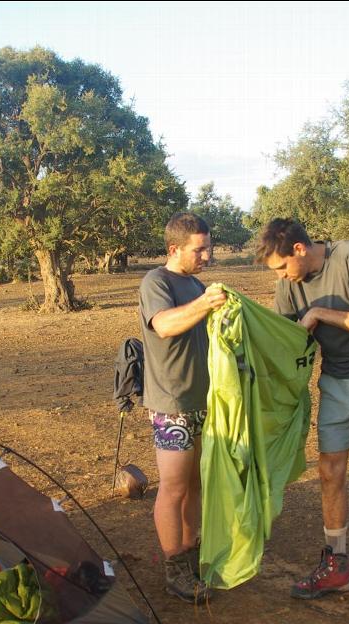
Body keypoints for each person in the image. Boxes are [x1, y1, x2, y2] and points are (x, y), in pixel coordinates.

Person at [253, 218, 349, 614]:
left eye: (282, 267)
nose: (281, 278)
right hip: (334, 378)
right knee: (329, 470)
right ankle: (336, 565)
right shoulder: (289, 284)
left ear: (299, 250)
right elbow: (289, 337)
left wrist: (320, 312)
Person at [138, 212, 227, 603]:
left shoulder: (196, 284)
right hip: (172, 403)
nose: (207, 255)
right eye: (200, 249)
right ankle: (174, 566)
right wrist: (205, 305)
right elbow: (164, 325)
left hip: (204, 400)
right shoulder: (157, 282)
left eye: (209, 247)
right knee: (173, 487)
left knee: (197, 484)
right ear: (175, 248)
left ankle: (192, 552)